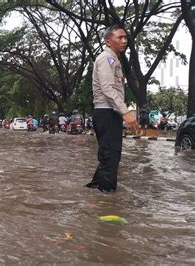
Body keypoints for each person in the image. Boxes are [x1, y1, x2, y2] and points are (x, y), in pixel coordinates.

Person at [85, 24, 138, 193]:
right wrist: (126, 112)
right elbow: (108, 89)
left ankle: (94, 189)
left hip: (109, 111)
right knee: (111, 155)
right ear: (108, 42)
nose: (124, 41)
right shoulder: (106, 58)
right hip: (106, 111)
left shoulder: (113, 59)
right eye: (119, 38)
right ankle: (107, 200)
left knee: (109, 154)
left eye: (125, 38)